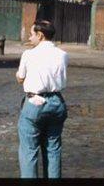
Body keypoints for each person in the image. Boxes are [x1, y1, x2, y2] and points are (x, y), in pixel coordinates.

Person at [16, 20, 68, 179]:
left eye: (32, 34)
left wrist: (19, 76)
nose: (30, 38)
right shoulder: (63, 54)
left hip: (34, 103)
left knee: (29, 151)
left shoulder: (28, 54)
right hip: (57, 102)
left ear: (40, 35)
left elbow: (20, 78)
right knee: (53, 149)